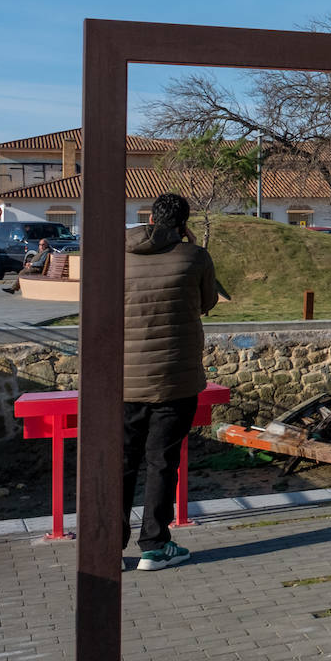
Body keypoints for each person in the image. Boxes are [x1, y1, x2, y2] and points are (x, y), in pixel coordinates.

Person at [123, 193, 218, 570]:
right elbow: (205, 302)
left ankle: (108, 547)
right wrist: (191, 246)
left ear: (148, 217)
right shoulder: (195, 257)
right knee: (161, 462)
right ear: (185, 223)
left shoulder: (120, 256)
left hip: (123, 379)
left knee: (122, 461)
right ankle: (155, 545)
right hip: (174, 379)